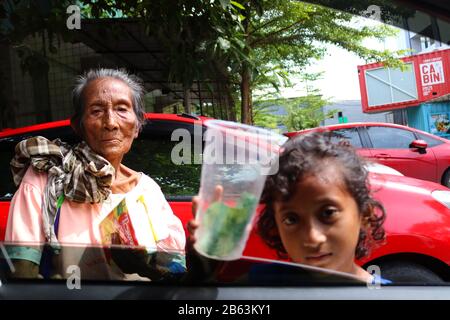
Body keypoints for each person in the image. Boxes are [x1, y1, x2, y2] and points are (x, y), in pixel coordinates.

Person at [4, 68, 186, 281]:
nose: (110, 123)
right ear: (78, 126)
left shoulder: (148, 190)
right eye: (96, 111)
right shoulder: (47, 180)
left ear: (137, 126)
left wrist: (144, 267)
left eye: (121, 109)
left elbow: (174, 274)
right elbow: (23, 275)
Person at [256, 132, 389, 284]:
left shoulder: (387, 297)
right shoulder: (258, 283)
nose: (313, 238)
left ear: (364, 215)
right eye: (291, 220)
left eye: (328, 213)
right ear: (276, 227)